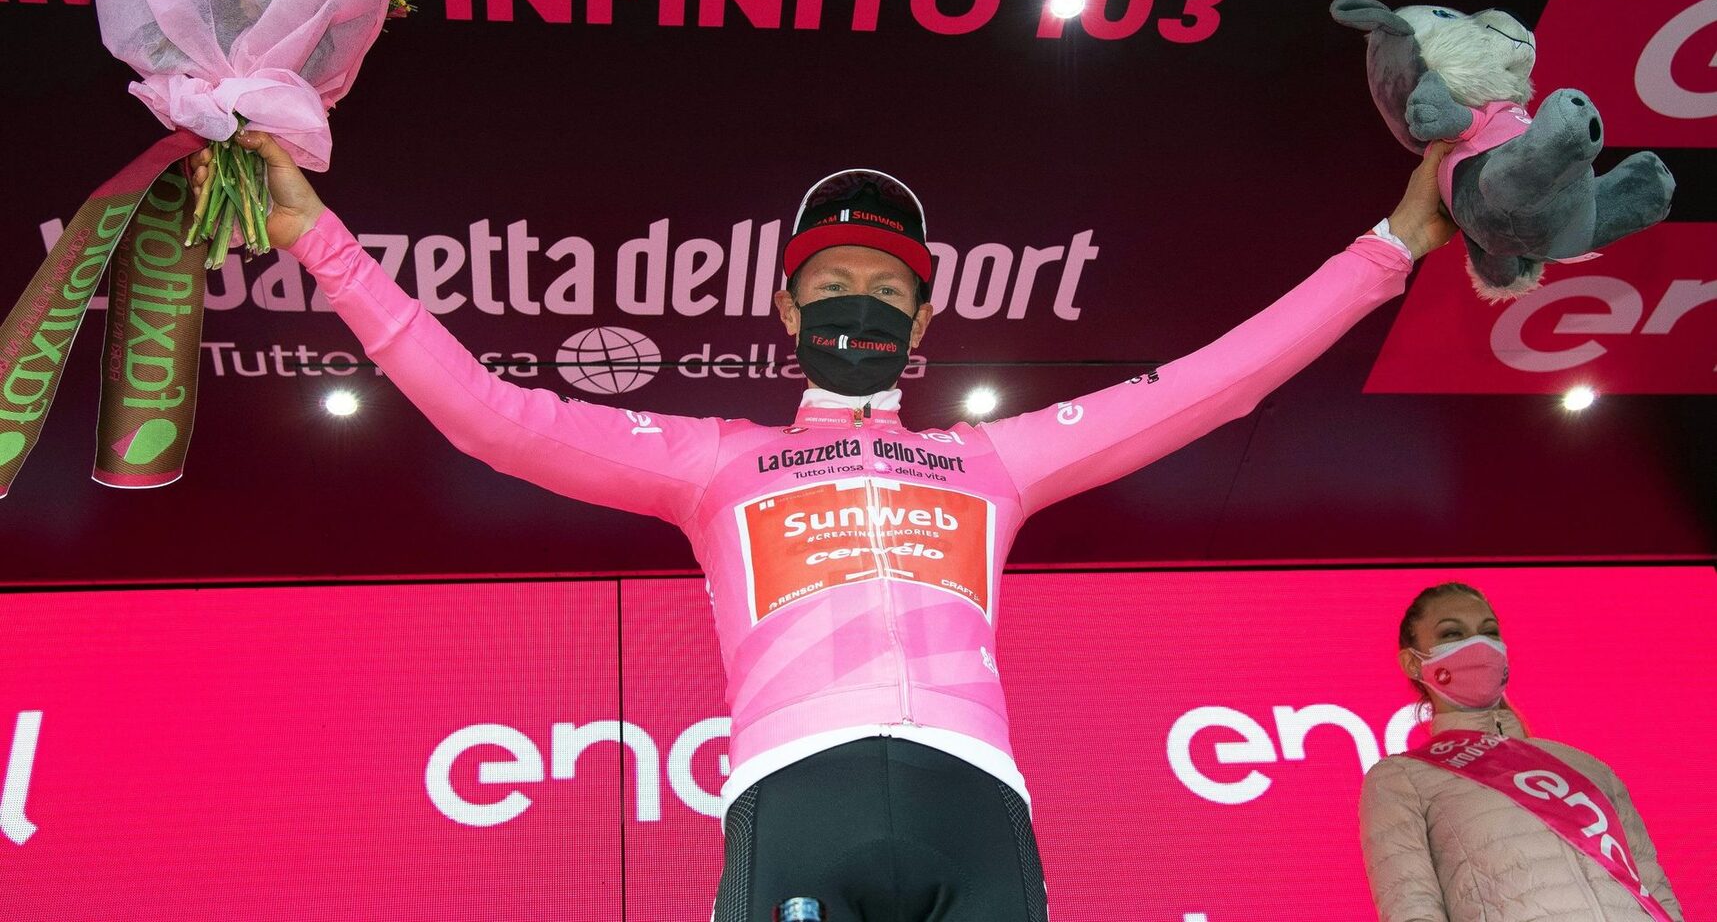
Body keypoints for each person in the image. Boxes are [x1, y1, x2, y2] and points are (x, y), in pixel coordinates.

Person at [194, 133, 1455, 921]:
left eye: (888, 291)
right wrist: (317, 241)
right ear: (788, 311)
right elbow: (489, 416)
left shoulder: (988, 461)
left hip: (978, 808)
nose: (861, 307)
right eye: (834, 287)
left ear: (923, 325)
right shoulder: (716, 463)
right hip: (795, 798)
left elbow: (1213, 383)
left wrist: (1393, 245)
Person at [1359, 582, 1685, 922]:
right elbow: (1412, 909)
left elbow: (1657, 893)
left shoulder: (1588, 768)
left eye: (1489, 632)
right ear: (1412, 663)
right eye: (1453, 634)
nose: (1478, 645)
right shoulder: (1402, 778)